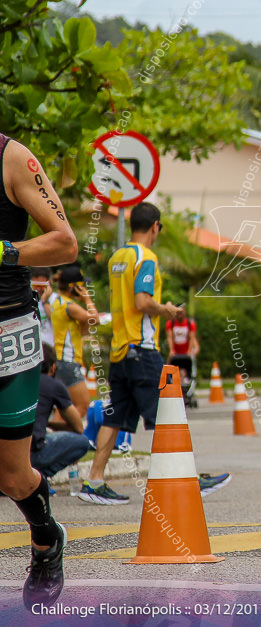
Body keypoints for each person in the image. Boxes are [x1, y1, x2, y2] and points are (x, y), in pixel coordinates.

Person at [78, 202, 231, 505]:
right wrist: (168, 310)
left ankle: (93, 482)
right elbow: (142, 301)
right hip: (143, 351)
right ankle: (187, 478)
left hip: (121, 352)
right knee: (169, 413)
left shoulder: (118, 257)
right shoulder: (145, 257)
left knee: (114, 418)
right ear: (155, 226)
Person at [0, 132, 78, 607]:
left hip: (7, 328)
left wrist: (5, 252)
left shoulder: (13, 158)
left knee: (12, 477)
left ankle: (47, 540)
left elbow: (65, 242)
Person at [31, 345, 91, 480]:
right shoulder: (53, 385)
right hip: (31, 454)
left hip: (6, 452)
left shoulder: (14, 381)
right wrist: (50, 424)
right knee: (82, 442)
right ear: (53, 367)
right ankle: (39, 478)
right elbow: (78, 427)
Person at [49, 264, 97, 418]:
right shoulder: (70, 306)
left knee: (65, 409)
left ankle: (55, 438)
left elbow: (84, 329)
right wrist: (88, 299)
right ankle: (60, 439)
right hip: (68, 361)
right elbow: (95, 320)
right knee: (82, 405)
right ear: (74, 287)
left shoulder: (57, 302)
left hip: (60, 361)